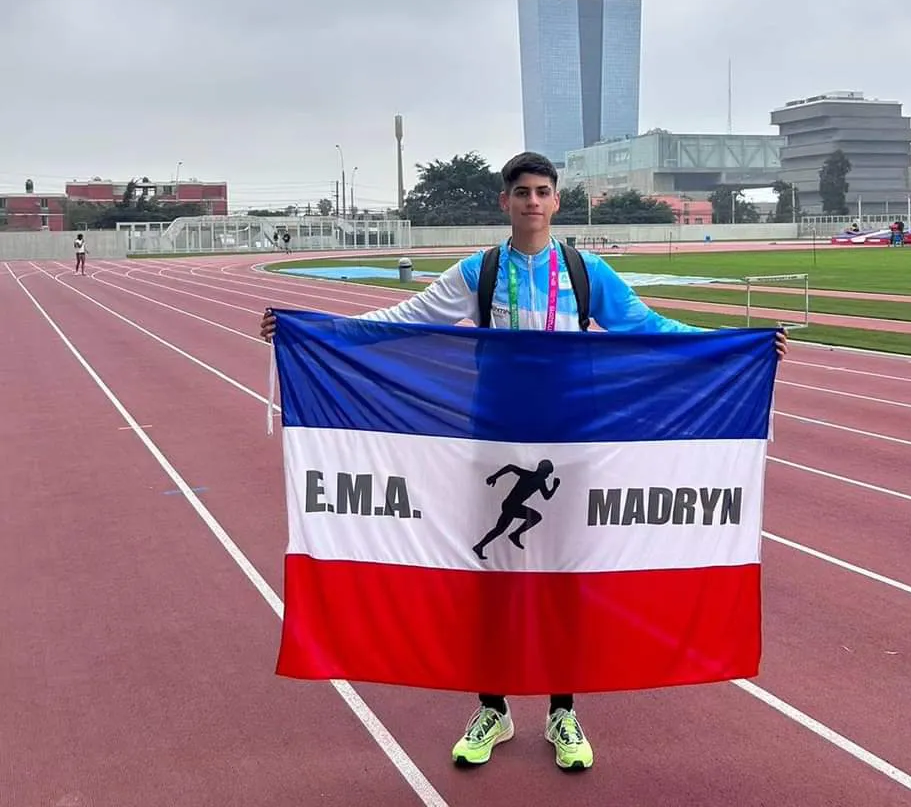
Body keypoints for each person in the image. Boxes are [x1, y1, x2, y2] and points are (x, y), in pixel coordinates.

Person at [260, 151, 788, 772]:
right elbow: (404, 321)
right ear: (504, 202)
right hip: (494, 438)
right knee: (493, 577)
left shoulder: (587, 273)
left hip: (571, 440)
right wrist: (316, 332)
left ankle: (564, 710)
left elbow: (645, 326)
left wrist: (734, 347)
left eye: (542, 191)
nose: (532, 202)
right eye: (521, 192)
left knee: (565, 576)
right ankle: (494, 706)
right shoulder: (478, 273)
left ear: (556, 201)